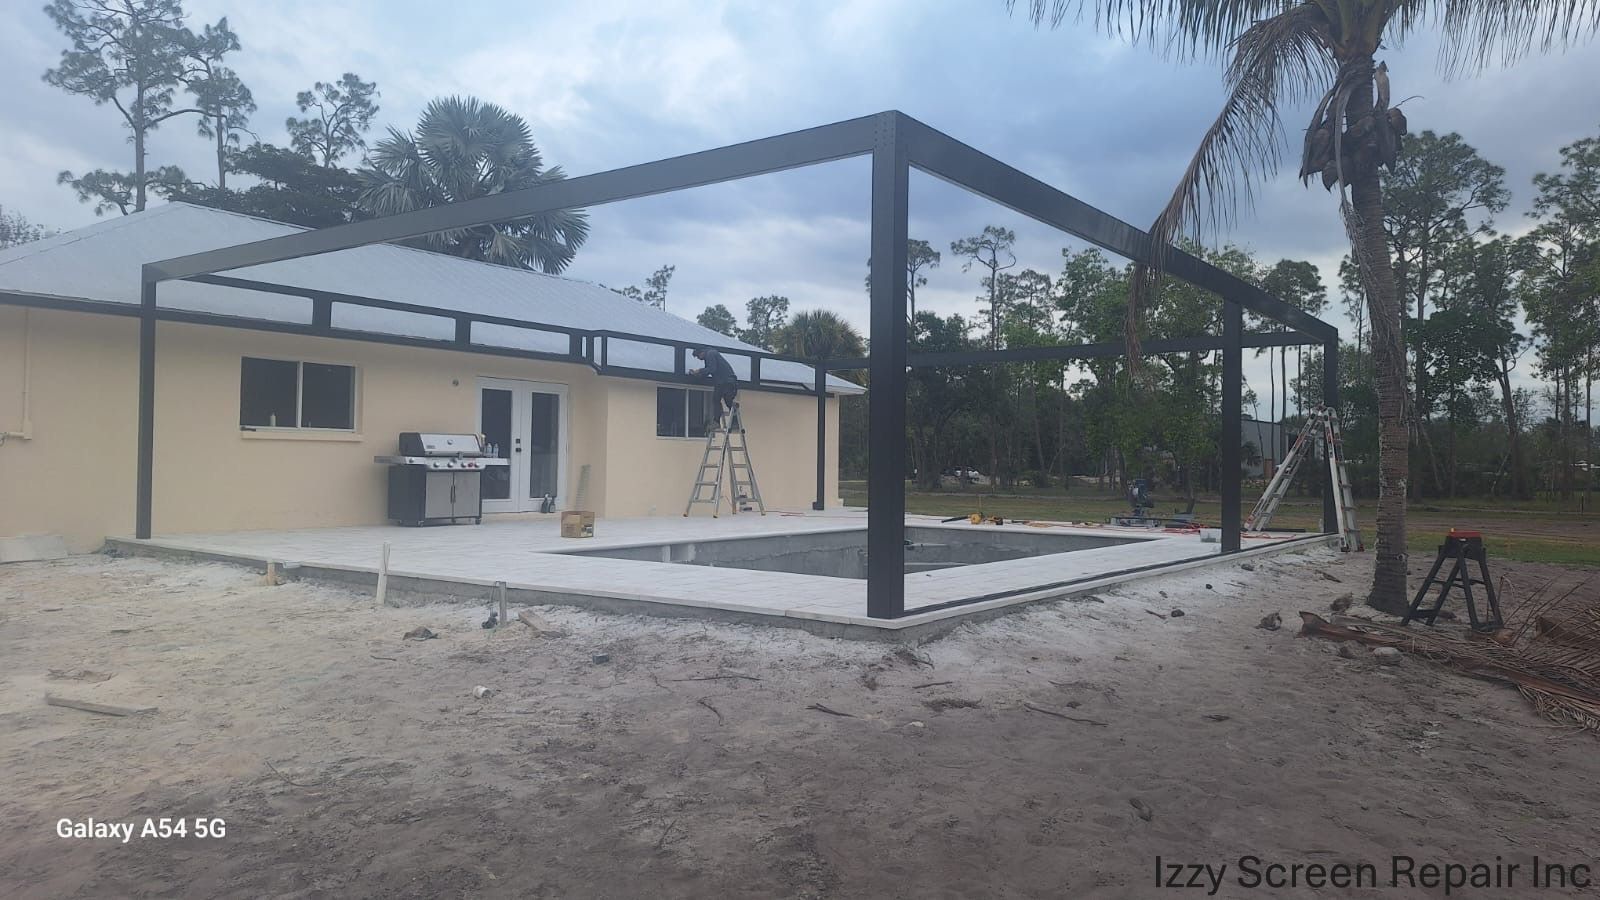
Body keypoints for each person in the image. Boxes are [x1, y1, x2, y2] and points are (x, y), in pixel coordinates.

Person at [690, 347, 739, 422]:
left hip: (728, 381)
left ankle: (733, 420)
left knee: (727, 400)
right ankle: (717, 422)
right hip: (721, 382)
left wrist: (699, 370)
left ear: (702, 352)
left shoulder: (710, 354)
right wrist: (697, 375)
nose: (698, 358)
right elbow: (708, 371)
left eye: (698, 356)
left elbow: (712, 369)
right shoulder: (708, 357)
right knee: (716, 400)